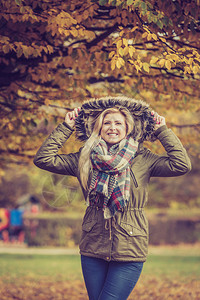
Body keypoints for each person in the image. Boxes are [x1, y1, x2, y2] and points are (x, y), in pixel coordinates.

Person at [34, 96, 191, 300]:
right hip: (93, 246)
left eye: (118, 123)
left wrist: (162, 130)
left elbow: (181, 164)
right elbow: (43, 159)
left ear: (128, 128)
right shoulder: (84, 158)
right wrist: (66, 127)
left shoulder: (143, 159)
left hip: (130, 246)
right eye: (106, 123)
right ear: (98, 127)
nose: (112, 127)